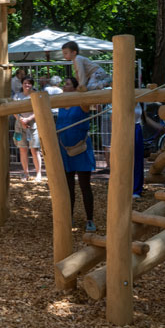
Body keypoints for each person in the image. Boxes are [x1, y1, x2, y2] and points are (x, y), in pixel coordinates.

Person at [54, 76, 97, 231]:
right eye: (65, 84)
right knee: (68, 186)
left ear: (74, 87)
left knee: (85, 185)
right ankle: (69, 216)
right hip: (65, 149)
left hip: (81, 149)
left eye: (67, 84)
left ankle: (90, 219)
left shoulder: (81, 103)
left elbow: (87, 100)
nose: (64, 87)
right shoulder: (60, 103)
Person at [13, 77, 43, 181]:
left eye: (29, 83)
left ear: (32, 85)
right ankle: (26, 173)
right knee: (22, 150)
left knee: (34, 150)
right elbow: (14, 110)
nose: (27, 85)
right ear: (22, 84)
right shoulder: (17, 96)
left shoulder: (36, 95)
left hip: (33, 126)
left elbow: (39, 109)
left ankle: (38, 173)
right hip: (19, 127)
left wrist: (28, 119)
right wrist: (22, 120)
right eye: (25, 83)